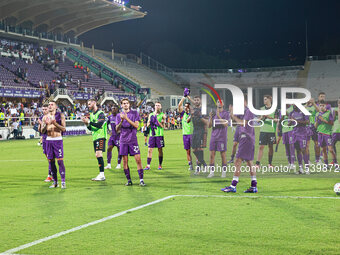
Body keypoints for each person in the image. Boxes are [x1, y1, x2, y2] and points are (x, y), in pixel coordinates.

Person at [221, 96, 257, 193]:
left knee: (238, 160)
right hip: (245, 138)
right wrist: (231, 113)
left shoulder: (249, 111)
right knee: (249, 162)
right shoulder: (242, 111)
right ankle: (254, 186)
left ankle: (233, 186)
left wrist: (233, 115)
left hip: (247, 138)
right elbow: (233, 123)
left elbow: (243, 123)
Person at [116, 98, 145, 186]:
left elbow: (136, 125)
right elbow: (117, 129)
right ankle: (129, 180)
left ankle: (141, 180)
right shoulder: (118, 115)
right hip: (123, 141)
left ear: (129, 105)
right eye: (123, 103)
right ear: (121, 105)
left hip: (133, 140)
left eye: (127, 103)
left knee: (138, 160)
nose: (125, 105)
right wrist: (121, 120)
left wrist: (126, 118)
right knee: (125, 161)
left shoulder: (134, 113)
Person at [41, 101, 67, 189]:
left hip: (58, 140)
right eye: (49, 105)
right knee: (51, 162)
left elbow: (64, 129)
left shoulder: (60, 115)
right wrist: (46, 125)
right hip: (48, 140)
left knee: (60, 161)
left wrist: (55, 123)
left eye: (52, 104)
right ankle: (55, 182)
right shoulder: (45, 117)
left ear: (56, 106)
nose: (50, 106)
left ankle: (63, 181)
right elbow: (42, 131)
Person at [81, 99, 108, 181]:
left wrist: (89, 121)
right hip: (95, 137)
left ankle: (102, 174)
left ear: (94, 103)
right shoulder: (91, 114)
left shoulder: (100, 114)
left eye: (89, 103)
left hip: (101, 136)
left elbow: (99, 125)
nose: (88, 105)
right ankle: (101, 174)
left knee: (98, 154)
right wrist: (86, 124)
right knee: (97, 155)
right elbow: (91, 128)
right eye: (87, 104)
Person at [207, 100, 230, 178]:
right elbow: (209, 126)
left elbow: (225, 125)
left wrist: (219, 116)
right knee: (211, 155)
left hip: (222, 137)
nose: (219, 103)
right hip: (213, 137)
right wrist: (210, 117)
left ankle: (223, 173)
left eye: (221, 102)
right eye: (218, 102)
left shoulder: (226, 114)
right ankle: (211, 172)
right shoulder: (213, 114)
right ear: (216, 104)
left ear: (223, 104)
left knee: (223, 155)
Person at [255, 95, 279, 168]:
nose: (264, 101)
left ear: (269, 100)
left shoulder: (275, 109)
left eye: (265, 99)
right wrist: (261, 117)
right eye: (264, 99)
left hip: (271, 131)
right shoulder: (262, 109)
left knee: (270, 147)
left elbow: (276, 120)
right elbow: (258, 121)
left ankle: (270, 163)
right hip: (263, 131)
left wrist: (268, 117)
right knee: (261, 147)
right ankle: (257, 164)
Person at [144, 102, 166, 170]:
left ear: (161, 106)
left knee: (160, 150)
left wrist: (157, 121)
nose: (157, 106)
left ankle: (160, 165)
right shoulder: (150, 115)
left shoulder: (163, 115)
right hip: (152, 135)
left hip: (159, 135)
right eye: (156, 105)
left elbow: (164, 126)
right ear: (154, 107)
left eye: (158, 105)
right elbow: (147, 125)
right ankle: (148, 165)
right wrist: (150, 121)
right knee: (149, 150)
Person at [290, 105, 310, 174]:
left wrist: (297, 121)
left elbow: (307, 122)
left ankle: (307, 168)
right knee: (298, 151)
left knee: (304, 150)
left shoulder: (303, 111)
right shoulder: (291, 113)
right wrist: (290, 122)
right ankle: (301, 168)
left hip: (302, 134)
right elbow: (290, 124)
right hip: (295, 134)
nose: (294, 105)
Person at [315, 100, 335, 167]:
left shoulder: (329, 113)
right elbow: (315, 126)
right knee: (323, 150)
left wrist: (323, 120)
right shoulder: (317, 114)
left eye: (322, 105)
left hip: (327, 134)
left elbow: (332, 123)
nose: (321, 107)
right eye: (320, 105)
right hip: (320, 134)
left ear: (325, 106)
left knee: (330, 150)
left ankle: (336, 164)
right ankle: (326, 165)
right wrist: (317, 120)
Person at [277, 105, 295, 170]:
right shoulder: (282, 110)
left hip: (291, 130)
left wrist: (287, 114)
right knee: (286, 147)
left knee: (291, 146)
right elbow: (280, 120)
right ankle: (289, 163)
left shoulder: (292, 108)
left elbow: (293, 119)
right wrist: (283, 116)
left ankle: (293, 163)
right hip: (284, 131)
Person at [38, 104, 53, 182]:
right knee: (48, 158)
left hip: (50, 138)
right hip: (44, 139)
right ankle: (52, 173)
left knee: (50, 158)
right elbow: (40, 130)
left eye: (45, 109)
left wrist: (42, 123)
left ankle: (49, 176)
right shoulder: (41, 118)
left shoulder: (51, 117)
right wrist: (40, 124)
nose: (44, 111)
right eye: (43, 109)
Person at [104, 104, 122, 170]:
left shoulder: (120, 116)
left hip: (119, 136)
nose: (113, 109)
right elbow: (105, 124)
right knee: (109, 148)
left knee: (119, 150)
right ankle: (108, 164)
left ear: (117, 109)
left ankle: (119, 164)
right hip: (112, 136)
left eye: (114, 108)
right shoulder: (110, 117)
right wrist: (108, 131)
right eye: (112, 108)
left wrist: (121, 131)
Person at [178, 97, 193, 170]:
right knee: (188, 151)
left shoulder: (193, 113)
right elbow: (179, 105)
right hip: (185, 134)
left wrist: (189, 98)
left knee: (195, 151)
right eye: (185, 106)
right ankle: (190, 165)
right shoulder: (183, 114)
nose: (186, 107)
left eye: (187, 106)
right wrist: (184, 97)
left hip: (193, 134)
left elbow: (188, 121)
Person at [331, 99, 340, 165]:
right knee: (332, 145)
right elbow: (333, 120)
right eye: (338, 102)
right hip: (336, 130)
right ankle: (334, 161)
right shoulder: (335, 109)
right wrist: (335, 114)